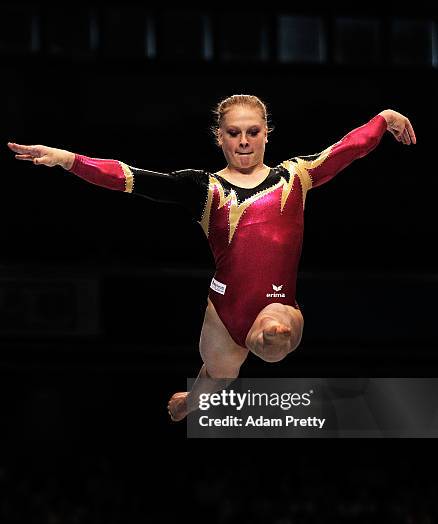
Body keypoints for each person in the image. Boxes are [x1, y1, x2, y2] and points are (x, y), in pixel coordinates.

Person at [7, 95, 416, 422]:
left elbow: (348, 149)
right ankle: (193, 401)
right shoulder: (202, 188)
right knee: (218, 375)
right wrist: (67, 159)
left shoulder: (296, 177)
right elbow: (129, 178)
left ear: (266, 134)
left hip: (277, 303)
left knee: (273, 342)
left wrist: (383, 119)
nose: (243, 141)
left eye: (252, 132)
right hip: (223, 309)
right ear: (219, 137)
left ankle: (260, 343)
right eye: (234, 133)